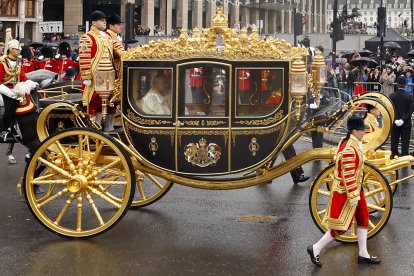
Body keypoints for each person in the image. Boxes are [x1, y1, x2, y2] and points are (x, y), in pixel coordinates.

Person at [307, 116, 380, 267]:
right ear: (355, 131)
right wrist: (354, 195)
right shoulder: (349, 148)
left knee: (363, 218)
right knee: (340, 227)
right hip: (347, 193)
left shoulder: (351, 143)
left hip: (354, 190)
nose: (364, 133)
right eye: (362, 130)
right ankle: (315, 248)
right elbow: (347, 175)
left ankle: (363, 254)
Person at [79, 10, 124, 131]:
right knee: (95, 105)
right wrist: (87, 77)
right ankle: (94, 131)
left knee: (110, 104)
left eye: (105, 21)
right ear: (94, 22)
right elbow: (84, 59)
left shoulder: (106, 38)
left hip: (109, 75)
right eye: (102, 21)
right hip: (95, 76)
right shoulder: (87, 37)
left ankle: (108, 130)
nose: (105, 23)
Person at [389, 76, 414, 157]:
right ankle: (404, 165)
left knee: (394, 146)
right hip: (406, 123)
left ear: (397, 84)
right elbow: (410, 110)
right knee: (405, 146)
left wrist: (396, 119)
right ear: (406, 85)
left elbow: (390, 109)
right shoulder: (409, 96)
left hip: (394, 123)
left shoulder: (392, 96)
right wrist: (403, 120)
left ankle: (394, 165)